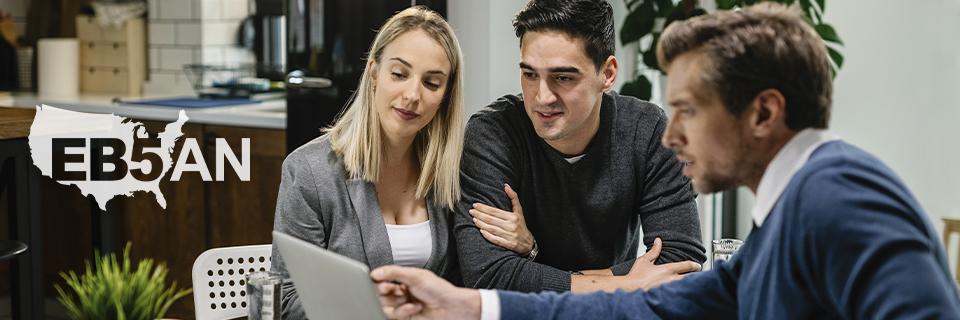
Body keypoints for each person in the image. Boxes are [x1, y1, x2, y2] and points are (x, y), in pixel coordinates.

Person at [371, 3, 960, 319]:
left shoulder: (842, 194)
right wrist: (472, 304)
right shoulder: (786, 214)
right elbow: (656, 302)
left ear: (763, 113)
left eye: (688, 111)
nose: (671, 135)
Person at [268, 6, 533, 319]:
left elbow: (478, 279)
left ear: (445, 95)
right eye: (399, 74)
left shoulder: (453, 172)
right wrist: (371, 306)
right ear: (374, 73)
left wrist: (527, 245)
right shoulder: (309, 171)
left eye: (431, 83)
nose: (412, 95)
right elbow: (286, 301)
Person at [456, 0, 706, 294]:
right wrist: (623, 283)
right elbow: (487, 274)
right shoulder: (494, 132)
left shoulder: (647, 130)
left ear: (607, 74)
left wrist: (533, 255)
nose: (542, 97)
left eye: (563, 78)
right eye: (530, 75)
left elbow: (682, 260)